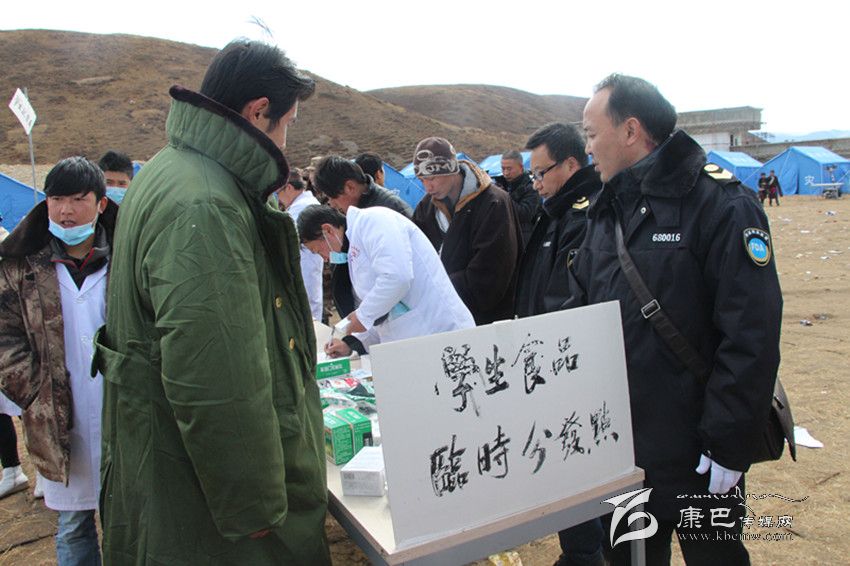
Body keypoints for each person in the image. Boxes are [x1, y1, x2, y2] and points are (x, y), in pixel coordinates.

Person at [93, 40, 331, 565]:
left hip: (163, 456)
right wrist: (254, 504)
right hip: (198, 497)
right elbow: (216, 376)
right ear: (258, 111)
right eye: (288, 123)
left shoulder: (171, 168)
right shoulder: (207, 203)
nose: (287, 139)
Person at [568, 74, 781, 565]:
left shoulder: (720, 204)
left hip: (700, 452)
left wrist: (727, 442)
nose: (588, 147)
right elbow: (582, 309)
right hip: (622, 447)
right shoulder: (605, 209)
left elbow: (750, 334)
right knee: (628, 559)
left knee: (715, 559)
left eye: (592, 134)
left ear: (630, 131)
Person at [0, 156, 117, 565]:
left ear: (101, 203)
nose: (66, 211)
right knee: (72, 524)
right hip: (56, 419)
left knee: (127, 518)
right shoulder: (22, 264)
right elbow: (4, 335)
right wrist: (34, 390)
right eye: (56, 199)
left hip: (124, 409)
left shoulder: (127, 255)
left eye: (78, 199)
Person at [298, 205, 475, 356]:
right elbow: (382, 311)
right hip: (412, 344)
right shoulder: (354, 250)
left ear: (328, 230)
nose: (325, 258)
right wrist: (350, 344)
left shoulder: (374, 221)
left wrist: (363, 315)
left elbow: (397, 278)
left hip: (440, 333)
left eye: (318, 250)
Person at [412, 136, 521, 325]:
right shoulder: (426, 208)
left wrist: (433, 290)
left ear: (452, 170)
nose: (428, 187)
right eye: (422, 180)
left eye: (432, 178)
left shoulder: (494, 203)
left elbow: (489, 276)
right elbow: (416, 258)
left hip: (491, 320)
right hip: (444, 317)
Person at [312, 155, 413, 352]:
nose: (332, 205)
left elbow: (395, 278)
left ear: (350, 187)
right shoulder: (358, 214)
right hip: (391, 324)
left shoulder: (381, 212)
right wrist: (353, 342)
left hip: (412, 320)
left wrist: (363, 315)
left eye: (332, 198)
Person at [515, 123, 601, 318]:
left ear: (570, 165)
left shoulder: (582, 218)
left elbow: (564, 301)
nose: (536, 185)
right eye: (532, 175)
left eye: (540, 173)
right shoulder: (556, 210)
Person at [277, 168, 324, 321]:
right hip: (306, 265)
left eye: (278, 193)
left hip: (305, 266)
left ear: (289, 188)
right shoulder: (303, 204)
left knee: (308, 310)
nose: (278, 199)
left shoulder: (301, 208)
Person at [493, 149, 540, 246]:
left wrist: (503, 197)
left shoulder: (531, 188)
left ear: (521, 167)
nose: (506, 173)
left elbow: (525, 214)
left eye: (509, 169)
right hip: (501, 237)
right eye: (503, 169)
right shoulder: (500, 184)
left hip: (523, 240)